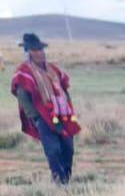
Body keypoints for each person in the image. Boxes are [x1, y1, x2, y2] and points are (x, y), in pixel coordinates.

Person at [9, 33, 79, 184]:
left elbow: (63, 88)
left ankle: (66, 178)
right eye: (35, 50)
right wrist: (36, 117)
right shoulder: (24, 71)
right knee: (53, 150)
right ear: (28, 52)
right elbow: (22, 95)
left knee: (68, 147)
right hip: (43, 117)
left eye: (41, 49)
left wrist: (69, 107)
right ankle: (59, 181)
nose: (40, 52)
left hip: (63, 115)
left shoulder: (53, 69)